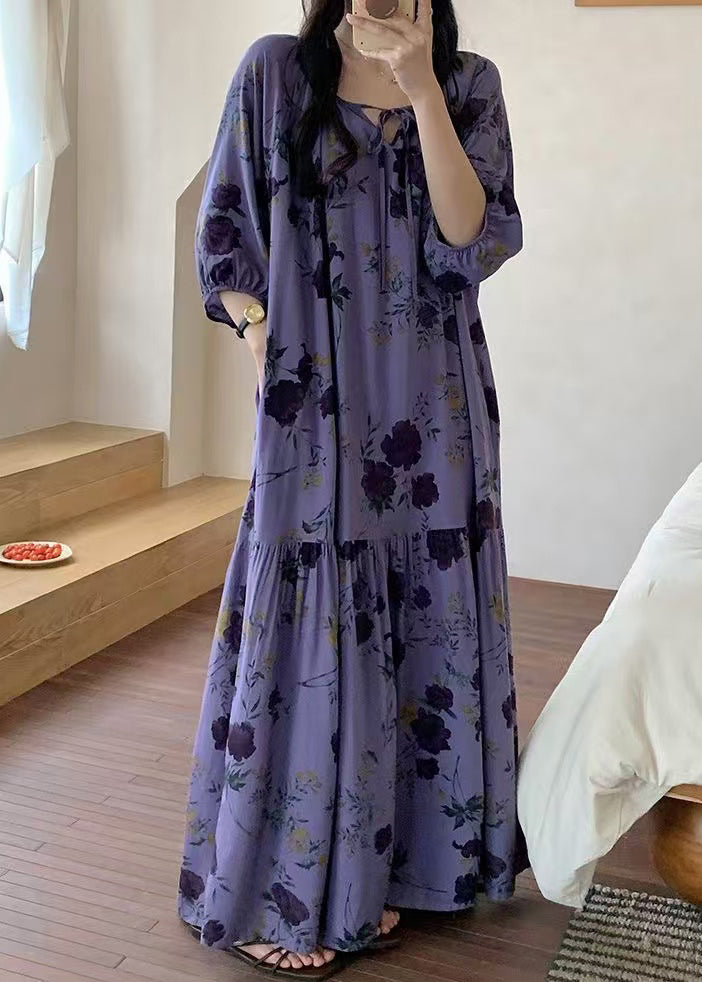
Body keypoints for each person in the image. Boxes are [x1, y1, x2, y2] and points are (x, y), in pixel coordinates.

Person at [178, 0, 523, 976]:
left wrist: (421, 89)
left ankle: (405, 869)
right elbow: (226, 230)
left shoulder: (470, 83)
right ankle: (286, 886)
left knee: (430, 614)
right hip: (313, 391)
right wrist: (259, 341)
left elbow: (471, 243)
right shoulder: (276, 72)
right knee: (308, 626)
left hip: (433, 400)